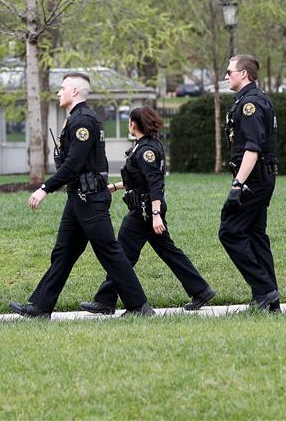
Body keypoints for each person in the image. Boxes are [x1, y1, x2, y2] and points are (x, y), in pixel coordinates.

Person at [11, 72, 154, 318]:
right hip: (78, 198)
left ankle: (139, 306)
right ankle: (41, 307)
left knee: (110, 252)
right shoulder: (75, 119)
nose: (58, 92)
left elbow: (73, 164)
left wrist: (45, 188)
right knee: (63, 253)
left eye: (62, 88)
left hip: (90, 200)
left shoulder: (83, 121)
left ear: (74, 92)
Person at [79, 106, 216, 315]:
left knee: (121, 254)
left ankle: (106, 300)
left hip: (144, 212)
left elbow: (155, 184)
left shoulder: (146, 151)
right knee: (167, 251)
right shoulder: (144, 146)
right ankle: (201, 290)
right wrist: (116, 187)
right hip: (144, 209)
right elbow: (139, 180)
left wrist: (155, 215)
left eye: (129, 121)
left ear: (134, 124)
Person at [219, 54, 280, 311]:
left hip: (253, 179)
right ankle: (270, 301)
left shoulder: (250, 104)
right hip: (259, 178)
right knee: (255, 236)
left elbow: (252, 149)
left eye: (230, 71)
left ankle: (264, 290)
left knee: (229, 232)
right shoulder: (253, 99)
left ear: (244, 74)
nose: (226, 76)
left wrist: (237, 185)